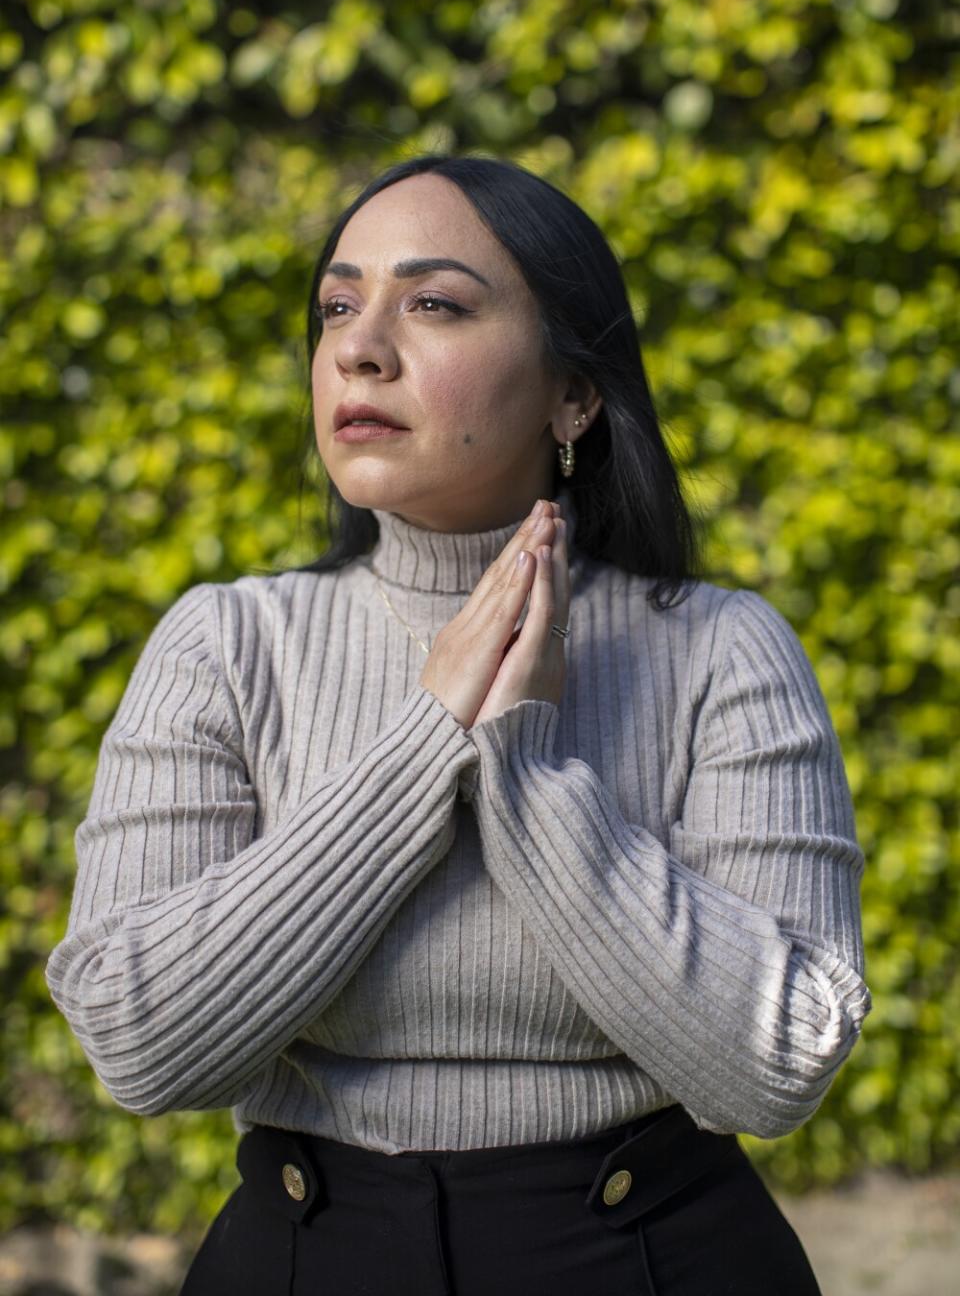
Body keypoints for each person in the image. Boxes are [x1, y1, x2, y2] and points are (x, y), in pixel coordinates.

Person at [45, 153, 871, 1295]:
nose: (359, 345)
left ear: (575, 394)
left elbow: (774, 1070)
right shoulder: (229, 646)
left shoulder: (719, 651)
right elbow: (139, 1042)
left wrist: (530, 771)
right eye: (338, 305)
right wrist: (427, 739)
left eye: (433, 303)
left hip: (653, 1262)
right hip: (303, 1262)